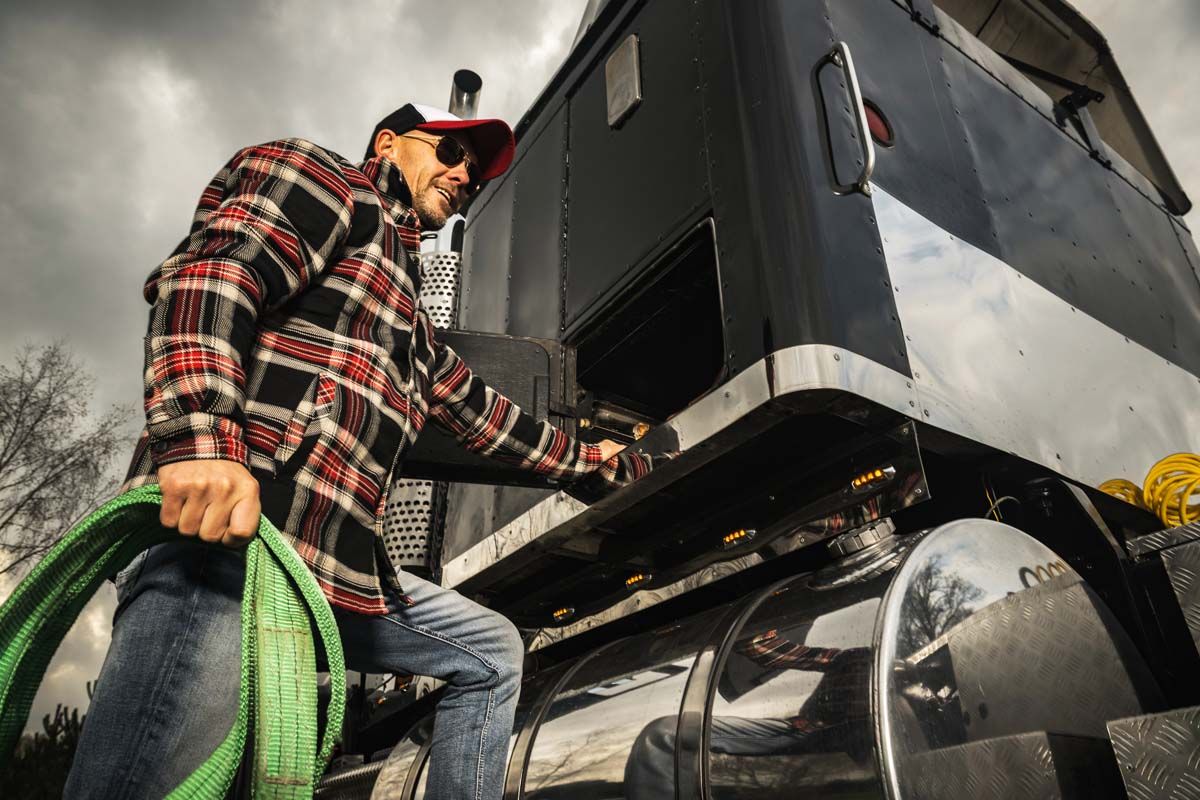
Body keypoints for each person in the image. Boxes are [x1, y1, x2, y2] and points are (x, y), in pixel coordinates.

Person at [65, 103, 652, 800]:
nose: (464, 174)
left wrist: (594, 462)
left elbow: (484, 417)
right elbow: (214, 277)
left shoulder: (407, 313)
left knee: (491, 651)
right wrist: (202, 440)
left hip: (335, 575)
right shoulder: (326, 182)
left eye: (474, 170)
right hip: (232, 548)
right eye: (451, 150)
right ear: (388, 143)